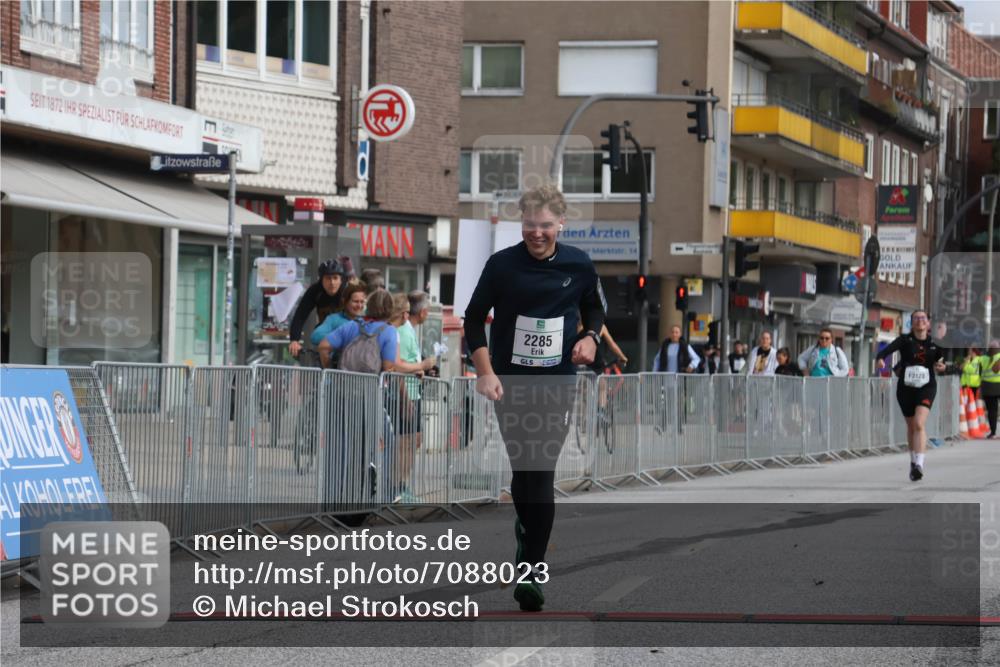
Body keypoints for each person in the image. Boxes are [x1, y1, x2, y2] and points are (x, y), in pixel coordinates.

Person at [465, 184, 605, 612]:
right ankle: (526, 536)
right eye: (530, 224)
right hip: (510, 383)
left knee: (541, 472)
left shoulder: (578, 265)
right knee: (523, 474)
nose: (537, 233)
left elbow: (596, 309)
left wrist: (590, 337)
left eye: (545, 225)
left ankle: (531, 571)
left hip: (556, 384)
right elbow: (473, 319)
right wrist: (485, 373)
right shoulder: (502, 265)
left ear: (561, 223)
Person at [876, 310, 945, 481]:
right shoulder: (904, 340)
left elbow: (941, 362)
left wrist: (942, 367)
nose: (920, 320)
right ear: (912, 323)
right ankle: (913, 461)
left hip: (926, 387)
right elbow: (884, 352)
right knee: (911, 426)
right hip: (906, 388)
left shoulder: (934, 343)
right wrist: (880, 359)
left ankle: (920, 465)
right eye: (916, 318)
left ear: (928, 323)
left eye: (923, 318)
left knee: (919, 423)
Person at [389, 292, 438, 503]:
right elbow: (396, 365)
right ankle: (397, 488)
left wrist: (420, 369)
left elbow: (405, 362)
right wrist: (422, 365)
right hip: (403, 393)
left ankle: (400, 486)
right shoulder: (401, 330)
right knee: (406, 441)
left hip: (410, 391)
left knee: (413, 439)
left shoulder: (406, 329)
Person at [288, 259, 347, 359]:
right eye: (328, 278)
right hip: (325, 335)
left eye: (335, 278)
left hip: (347, 334)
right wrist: (294, 340)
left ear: (341, 279)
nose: (332, 282)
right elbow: (300, 316)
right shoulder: (315, 291)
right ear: (321, 280)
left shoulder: (347, 291)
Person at [310, 283, 368, 348]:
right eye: (356, 301)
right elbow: (315, 336)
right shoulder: (334, 319)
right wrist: (340, 338)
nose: (359, 306)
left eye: (362, 302)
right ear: (344, 301)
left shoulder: (367, 321)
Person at [980, 341, 1000, 438]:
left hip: (988, 388)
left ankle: (993, 433)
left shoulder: (983, 359)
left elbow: (979, 373)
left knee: (992, 411)